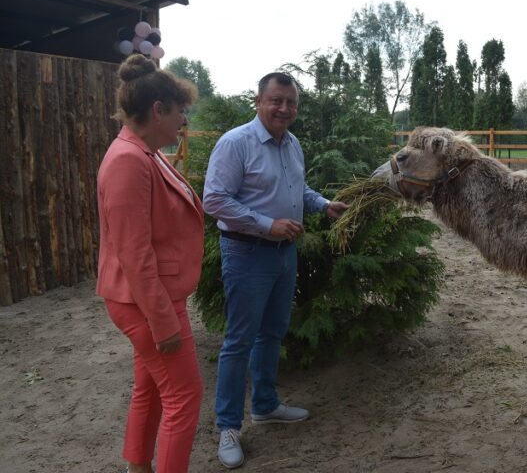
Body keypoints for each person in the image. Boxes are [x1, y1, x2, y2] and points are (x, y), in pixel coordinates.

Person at [203, 72, 349, 469]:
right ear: (259, 101)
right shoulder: (236, 143)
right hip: (247, 253)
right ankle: (228, 426)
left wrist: (322, 204)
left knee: (272, 333)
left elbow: (295, 190)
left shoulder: (292, 144)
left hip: (285, 254)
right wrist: (268, 225)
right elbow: (214, 200)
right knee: (238, 341)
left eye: (291, 103)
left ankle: (265, 405)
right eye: (276, 101)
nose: (284, 109)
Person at [97, 54, 204, 473]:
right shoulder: (128, 159)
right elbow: (134, 253)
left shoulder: (146, 151)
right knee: (185, 395)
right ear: (158, 109)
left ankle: (137, 466)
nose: (184, 122)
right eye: (181, 112)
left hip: (149, 295)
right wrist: (164, 322)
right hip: (146, 301)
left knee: (151, 388)